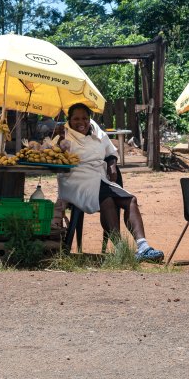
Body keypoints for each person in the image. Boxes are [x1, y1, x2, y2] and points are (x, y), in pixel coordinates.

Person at [57, 103, 163, 262]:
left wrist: (112, 164)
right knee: (107, 200)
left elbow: (109, 151)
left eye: (85, 118)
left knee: (130, 200)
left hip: (100, 179)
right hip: (77, 181)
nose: (81, 122)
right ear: (69, 120)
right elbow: (55, 156)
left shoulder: (95, 129)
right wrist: (60, 143)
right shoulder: (62, 134)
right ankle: (121, 249)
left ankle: (143, 247)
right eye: (76, 119)